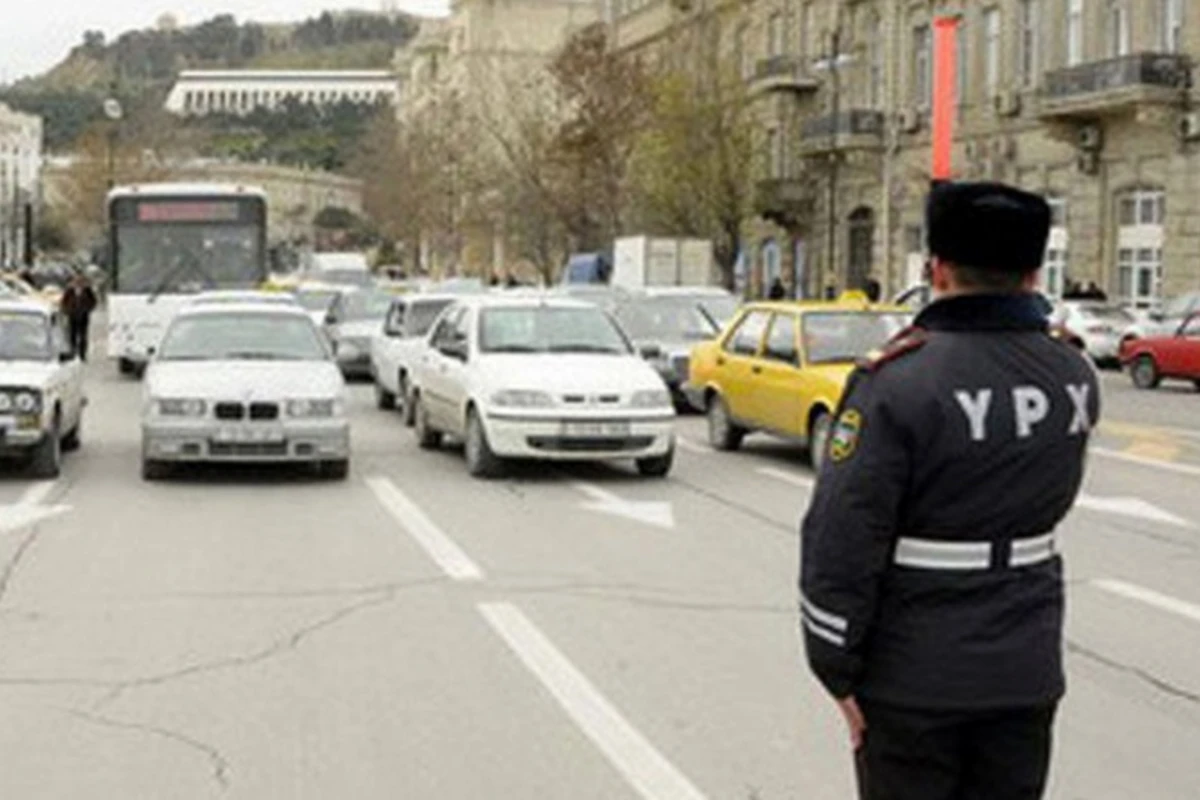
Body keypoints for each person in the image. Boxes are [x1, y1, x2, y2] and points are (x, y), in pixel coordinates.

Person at [799, 181, 1100, 800]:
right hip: (1026, 666)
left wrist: (835, 668)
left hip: (913, 678)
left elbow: (841, 538)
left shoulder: (897, 379)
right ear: (1034, 272)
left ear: (936, 269)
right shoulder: (1073, 372)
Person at [60, 274, 98, 361]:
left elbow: (93, 301)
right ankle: (72, 352)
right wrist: (67, 311)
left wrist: (87, 309)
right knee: (72, 335)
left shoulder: (87, 290)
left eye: (80, 281)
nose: (78, 283)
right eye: (76, 281)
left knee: (83, 335)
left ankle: (82, 354)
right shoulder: (69, 290)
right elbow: (64, 301)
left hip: (83, 316)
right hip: (72, 316)